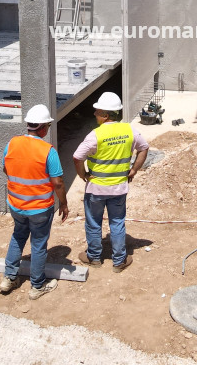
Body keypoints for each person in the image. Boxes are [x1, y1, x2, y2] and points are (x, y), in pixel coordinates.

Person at [73, 92, 148, 273]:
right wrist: (134, 170)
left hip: (96, 189)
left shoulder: (95, 135)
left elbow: (77, 156)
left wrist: (83, 174)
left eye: (97, 111)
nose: (94, 114)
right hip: (119, 188)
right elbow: (143, 148)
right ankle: (119, 260)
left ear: (106, 115)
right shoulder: (129, 130)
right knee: (117, 222)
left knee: (93, 222)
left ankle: (94, 257)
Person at [0, 104, 69, 299]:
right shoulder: (48, 150)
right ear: (42, 128)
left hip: (16, 204)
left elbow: (6, 168)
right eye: (47, 125)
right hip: (39, 208)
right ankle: (37, 285)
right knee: (38, 244)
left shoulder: (12, 143)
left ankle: (9, 277)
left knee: (18, 236)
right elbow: (58, 182)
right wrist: (63, 204)